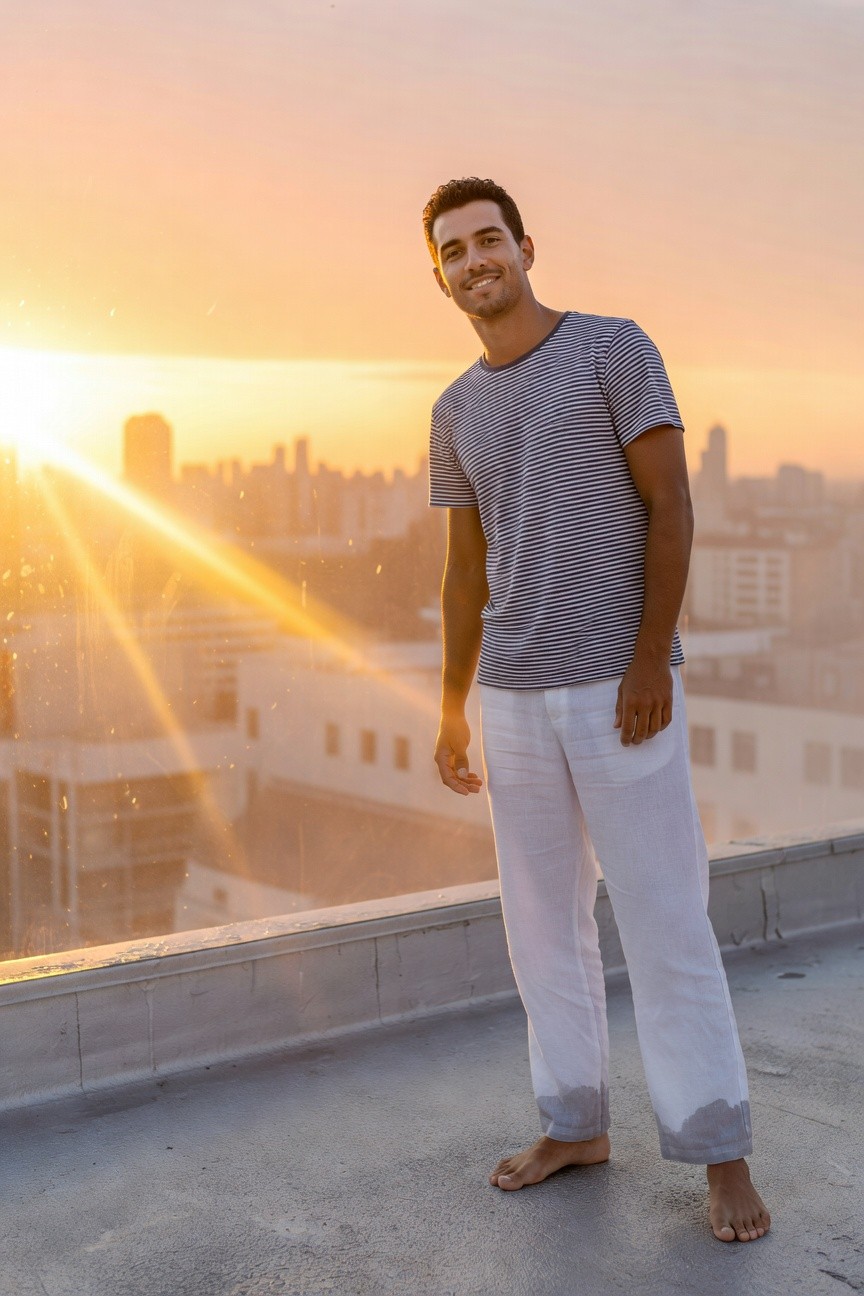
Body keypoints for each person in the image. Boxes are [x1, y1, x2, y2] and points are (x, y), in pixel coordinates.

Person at [423, 176, 771, 1243]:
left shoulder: (614, 349)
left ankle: (719, 1150)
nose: (476, 260)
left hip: (621, 691)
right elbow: (466, 571)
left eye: (489, 239)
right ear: (438, 277)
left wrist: (650, 660)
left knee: (665, 918)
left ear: (526, 247)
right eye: (454, 250)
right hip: (513, 697)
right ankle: (575, 1125)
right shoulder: (453, 411)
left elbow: (672, 504)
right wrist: (452, 705)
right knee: (540, 926)